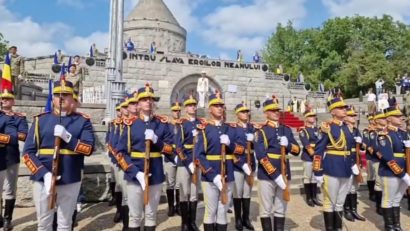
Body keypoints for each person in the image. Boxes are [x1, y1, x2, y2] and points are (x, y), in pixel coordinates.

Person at [22, 80, 95, 230]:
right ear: (52, 98)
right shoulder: (40, 120)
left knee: (65, 223)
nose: (61, 98)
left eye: (66, 95)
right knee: (43, 222)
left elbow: (88, 149)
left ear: (72, 97)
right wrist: (44, 174)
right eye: (57, 95)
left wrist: (68, 137)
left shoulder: (82, 121)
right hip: (43, 178)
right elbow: (28, 153)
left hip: (70, 176)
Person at [115, 84, 174, 231]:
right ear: (139, 103)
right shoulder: (130, 125)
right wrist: (136, 173)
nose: (148, 101)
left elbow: (170, 149)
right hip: (135, 174)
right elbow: (120, 154)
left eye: (151, 99)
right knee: (135, 216)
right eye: (144, 99)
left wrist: (157, 141)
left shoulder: (162, 124)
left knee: (151, 214)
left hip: (156, 173)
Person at [195, 91, 247, 231]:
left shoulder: (231, 128)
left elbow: (241, 150)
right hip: (210, 176)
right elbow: (199, 156)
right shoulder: (204, 129)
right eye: (216, 105)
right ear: (210, 109)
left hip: (228, 174)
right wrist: (213, 175)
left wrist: (230, 144)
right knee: (210, 212)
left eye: (221, 105)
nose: (219, 108)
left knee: (223, 211)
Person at [254, 96, 300, 231]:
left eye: (277, 110)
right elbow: (261, 156)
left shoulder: (286, 130)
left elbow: (297, 150)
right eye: (273, 110)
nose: (276, 112)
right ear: (266, 113)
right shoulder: (261, 131)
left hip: (285, 172)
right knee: (266, 209)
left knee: (281, 208)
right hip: (267, 175)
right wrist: (275, 175)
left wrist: (289, 146)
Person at [312, 96, 357, 231]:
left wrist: (353, 164)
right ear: (333, 112)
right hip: (331, 168)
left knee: (339, 202)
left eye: (345, 108)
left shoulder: (347, 128)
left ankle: (338, 228)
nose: (344, 110)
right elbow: (318, 150)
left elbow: (349, 149)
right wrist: (317, 171)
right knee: (329, 202)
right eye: (340, 108)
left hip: (346, 169)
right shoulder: (327, 127)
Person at [377, 106, 410, 230]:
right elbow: (387, 158)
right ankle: (389, 226)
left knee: (397, 200)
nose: (401, 118)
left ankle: (397, 225)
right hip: (390, 172)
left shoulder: (403, 133)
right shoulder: (384, 134)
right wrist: (402, 174)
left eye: (400, 116)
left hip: (405, 170)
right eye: (397, 116)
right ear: (389, 119)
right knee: (388, 199)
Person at [1, 89, 28, 231]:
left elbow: (24, 135)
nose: (4, 100)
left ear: (13, 101)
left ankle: (7, 220)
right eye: (2, 98)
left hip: (11, 157)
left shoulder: (19, 118)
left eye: (7, 98)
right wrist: (12, 135)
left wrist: (5, 137)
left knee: (10, 189)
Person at [175, 94, 203, 231]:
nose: (193, 107)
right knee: (184, 192)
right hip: (185, 162)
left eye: (194, 105)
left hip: (197, 161)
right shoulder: (182, 124)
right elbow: (178, 147)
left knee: (194, 193)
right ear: (186, 108)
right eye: (190, 105)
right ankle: (185, 222)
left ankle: (192, 221)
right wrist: (188, 163)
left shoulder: (201, 124)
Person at [231, 102, 256, 231]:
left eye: (247, 112)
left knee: (247, 193)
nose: (245, 114)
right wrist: (241, 162)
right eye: (242, 112)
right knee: (238, 193)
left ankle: (246, 218)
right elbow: (231, 146)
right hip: (238, 163)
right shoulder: (233, 128)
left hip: (251, 163)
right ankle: (238, 219)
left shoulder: (252, 128)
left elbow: (260, 146)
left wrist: (254, 141)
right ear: (237, 114)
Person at [342, 106, 366, 222]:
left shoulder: (356, 130)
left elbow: (362, 145)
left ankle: (354, 210)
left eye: (354, 115)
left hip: (355, 160)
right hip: (346, 160)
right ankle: (346, 210)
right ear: (345, 118)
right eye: (351, 116)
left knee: (354, 187)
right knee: (347, 187)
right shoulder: (342, 129)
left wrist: (360, 143)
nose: (354, 117)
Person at [298, 110, 322, 207]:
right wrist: (315, 155)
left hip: (317, 155)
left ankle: (314, 197)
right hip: (308, 156)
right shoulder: (303, 131)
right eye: (311, 116)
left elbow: (321, 141)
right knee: (308, 177)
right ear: (306, 118)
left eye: (314, 116)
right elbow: (306, 145)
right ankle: (309, 198)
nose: (313, 117)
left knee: (314, 178)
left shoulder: (317, 130)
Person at [367, 111, 387, 215]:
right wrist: (381, 156)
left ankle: (385, 204)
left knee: (387, 184)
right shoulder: (373, 133)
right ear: (377, 120)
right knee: (379, 183)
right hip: (378, 161)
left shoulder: (387, 131)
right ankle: (379, 206)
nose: (385, 119)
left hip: (388, 161)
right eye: (382, 118)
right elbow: (372, 148)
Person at [165, 102, 181, 217]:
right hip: (170, 156)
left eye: (179, 111)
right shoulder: (167, 125)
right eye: (175, 111)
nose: (177, 112)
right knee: (170, 183)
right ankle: (171, 206)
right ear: (172, 112)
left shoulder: (182, 124)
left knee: (178, 184)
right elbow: (165, 142)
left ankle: (179, 206)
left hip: (181, 157)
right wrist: (172, 156)